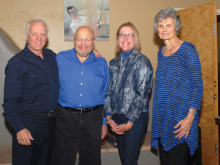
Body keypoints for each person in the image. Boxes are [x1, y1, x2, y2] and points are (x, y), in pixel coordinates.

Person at [2, 19, 59, 165]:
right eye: (34, 34)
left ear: (46, 37)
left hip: (52, 125)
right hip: (29, 125)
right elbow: (9, 103)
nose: (39, 38)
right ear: (27, 36)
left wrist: (91, 52)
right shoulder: (16, 64)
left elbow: (73, 59)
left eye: (42, 34)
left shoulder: (52, 57)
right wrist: (20, 128)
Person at [151, 8, 203, 165]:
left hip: (182, 121)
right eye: (160, 25)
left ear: (177, 27)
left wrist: (190, 118)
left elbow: (197, 86)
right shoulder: (161, 52)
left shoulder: (188, 50)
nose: (164, 29)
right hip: (163, 120)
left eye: (168, 25)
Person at [55, 26, 109, 165]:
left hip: (93, 119)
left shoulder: (102, 63)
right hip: (65, 118)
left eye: (87, 39)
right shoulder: (60, 58)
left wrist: (103, 123)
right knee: (63, 160)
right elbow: (39, 50)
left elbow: (105, 94)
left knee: (91, 161)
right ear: (74, 40)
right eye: (79, 39)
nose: (83, 43)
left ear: (94, 41)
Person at [104, 22, 154, 165]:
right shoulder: (113, 63)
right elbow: (108, 92)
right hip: (116, 118)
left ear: (135, 38)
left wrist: (130, 123)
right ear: (117, 39)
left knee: (130, 160)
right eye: (121, 35)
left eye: (129, 35)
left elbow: (141, 95)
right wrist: (109, 118)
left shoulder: (142, 61)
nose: (125, 38)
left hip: (135, 119)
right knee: (124, 159)